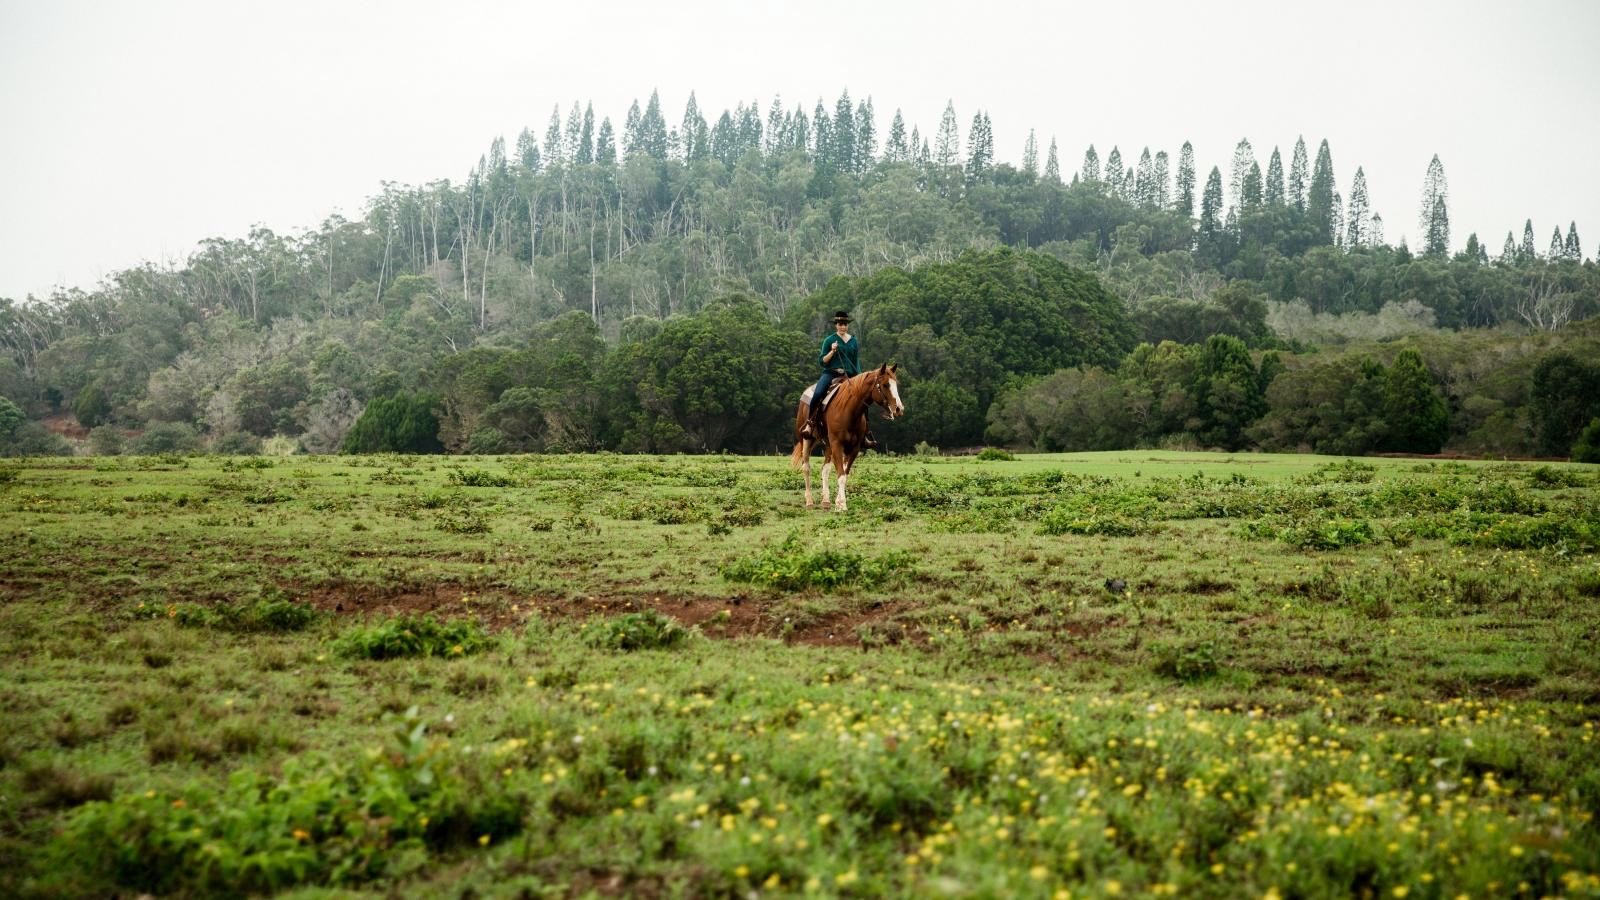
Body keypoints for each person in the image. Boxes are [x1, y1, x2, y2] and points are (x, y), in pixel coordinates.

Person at [802, 310, 875, 447]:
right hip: (831, 373)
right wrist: (832, 351)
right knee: (817, 394)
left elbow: (855, 361)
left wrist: (859, 377)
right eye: (840, 324)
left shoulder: (853, 341)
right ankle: (810, 424)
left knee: (864, 399)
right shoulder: (829, 340)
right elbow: (822, 361)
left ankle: (865, 433)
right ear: (836, 325)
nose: (843, 326)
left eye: (845, 324)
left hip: (850, 375)